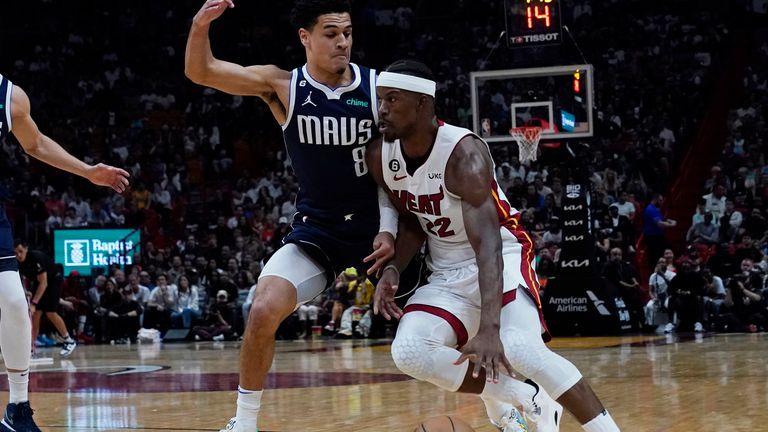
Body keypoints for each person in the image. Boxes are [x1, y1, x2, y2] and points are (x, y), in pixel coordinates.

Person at [368, 60, 620, 432]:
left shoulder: (463, 154)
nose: (382, 109)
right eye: (380, 100)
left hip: (501, 255)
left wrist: (488, 328)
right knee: (409, 352)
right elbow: (413, 220)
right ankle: (527, 398)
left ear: (423, 103)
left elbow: (487, 247)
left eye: (392, 99)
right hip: (446, 270)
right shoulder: (380, 155)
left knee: (520, 348)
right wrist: (393, 268)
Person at [184, 1, 397, 430]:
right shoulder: (283, 86)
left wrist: (394, 229)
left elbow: (403, 166)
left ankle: (506, 405)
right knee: (262, 308)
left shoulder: (378, 89)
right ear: (305, 37)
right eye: (331, 33)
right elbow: (200, 72)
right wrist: (198, 26)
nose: (343, 42)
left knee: (436, 326)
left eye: (348, 33)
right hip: (319, 231)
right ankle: (244, 422)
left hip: (382, 230)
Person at [0, 74, 129, 431]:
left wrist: (88, 171)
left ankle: (18, 409)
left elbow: (37, 144)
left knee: (13, 303)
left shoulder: (10, 97)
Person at [15, 241, 78, 357]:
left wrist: (34, 303)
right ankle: (31, 347)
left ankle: (69, 340)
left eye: (20, 251)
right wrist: (26, 291)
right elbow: (22, 280)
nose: (18, 255)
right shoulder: (17, 263)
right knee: (35, 315)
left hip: (53, 280)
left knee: (50, 312)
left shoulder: (35, 257)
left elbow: (44, 283)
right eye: (16, 253)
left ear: (26, 249)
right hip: (38, 283)